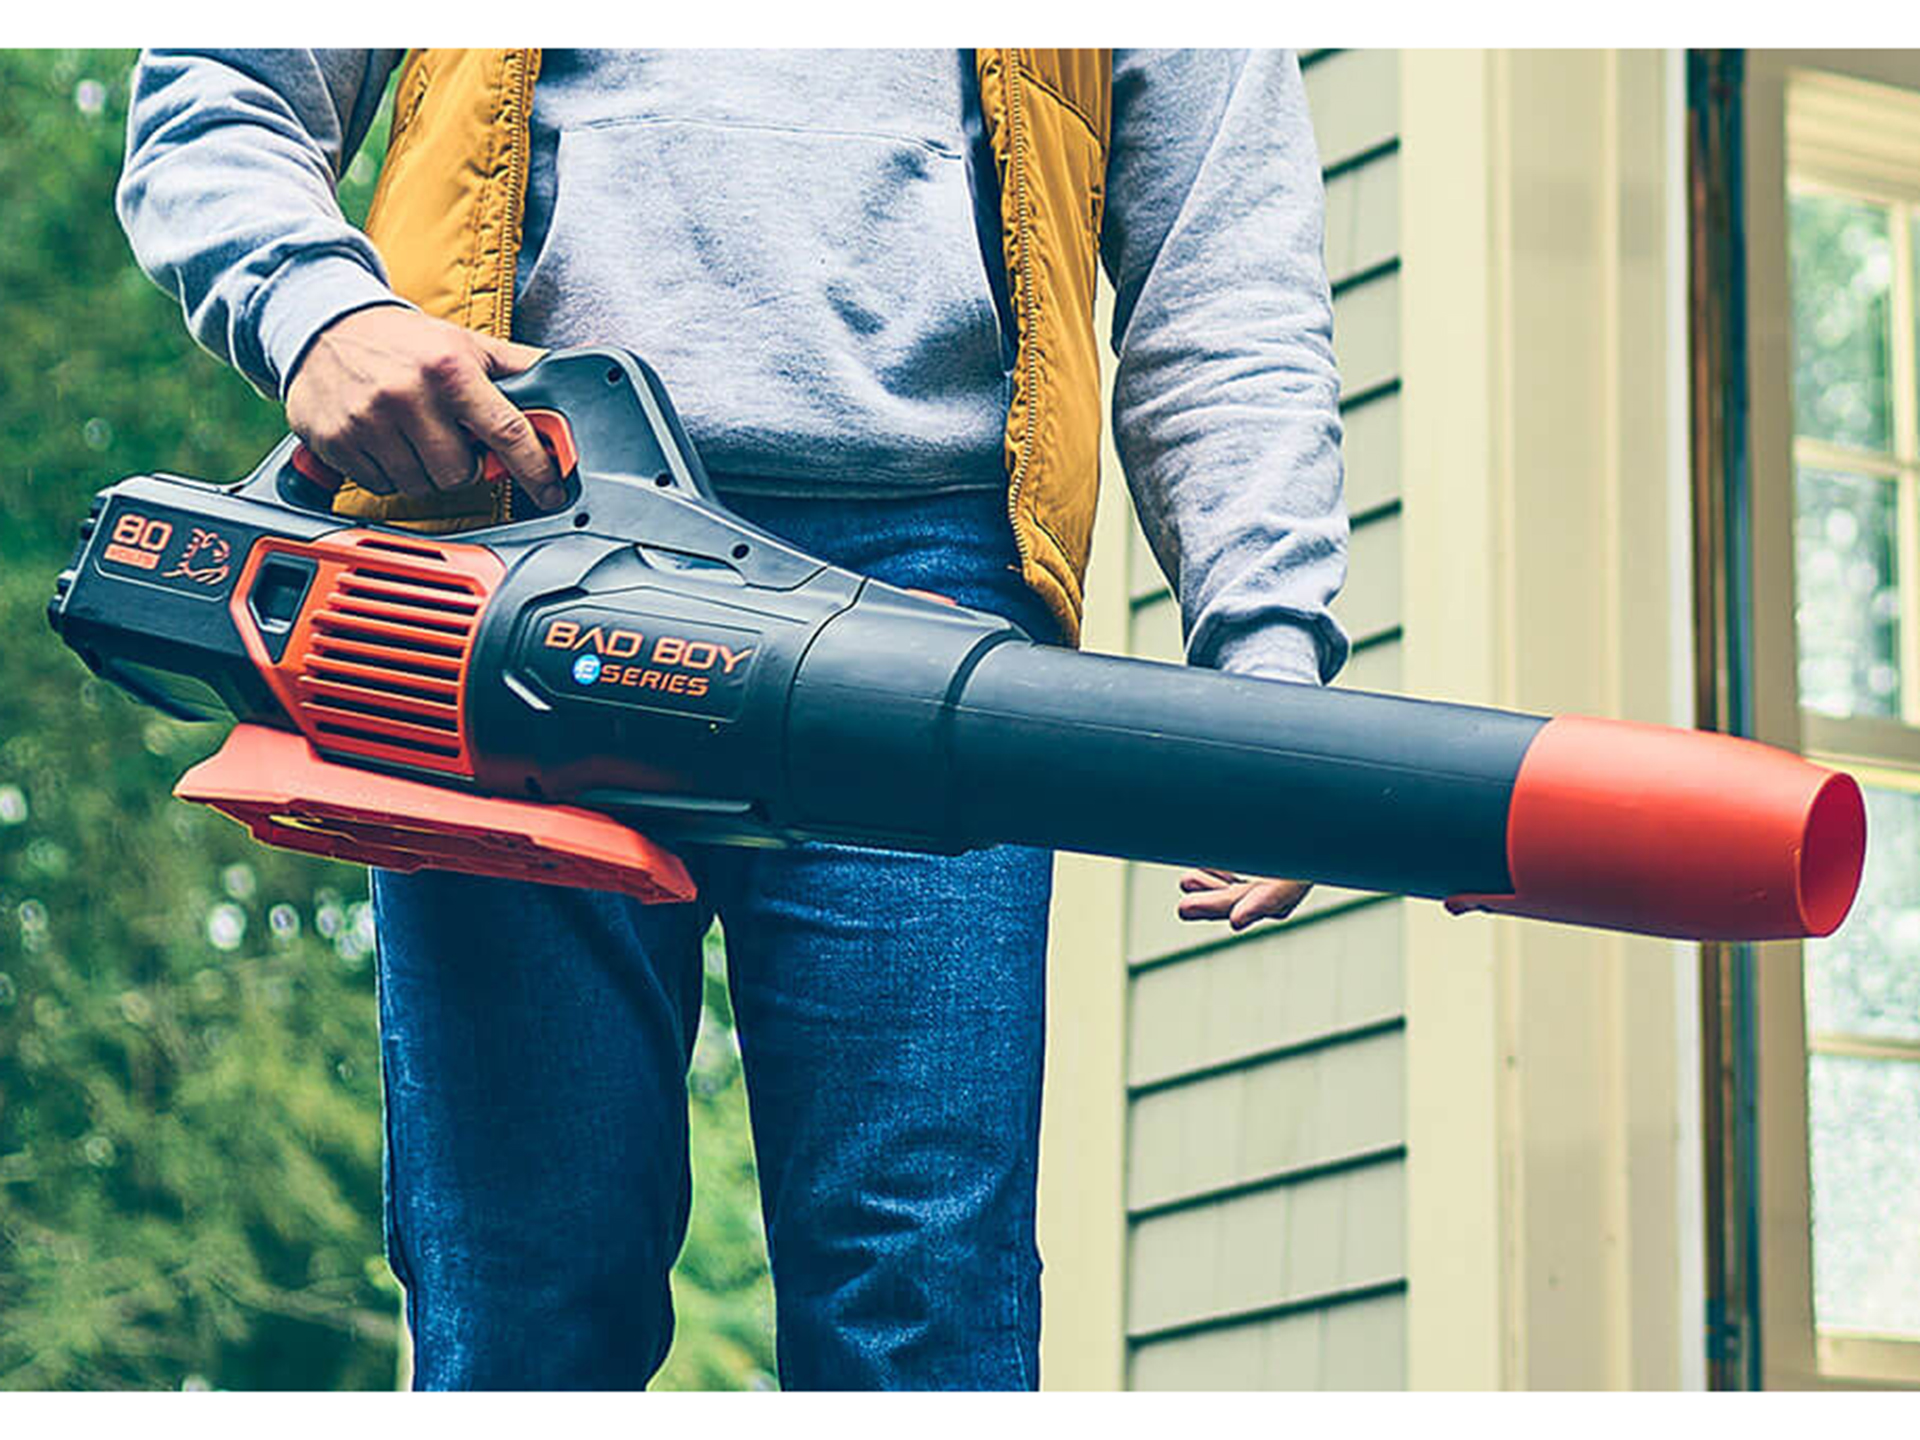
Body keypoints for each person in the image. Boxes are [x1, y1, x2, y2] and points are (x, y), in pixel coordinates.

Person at [117, 47, 1349, 1390]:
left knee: (923, 1306)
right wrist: (316, 311)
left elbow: (1224, 274)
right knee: (525, 1299)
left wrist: (1267, 666)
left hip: (924, 601)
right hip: (509, 543)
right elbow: (217, 88)